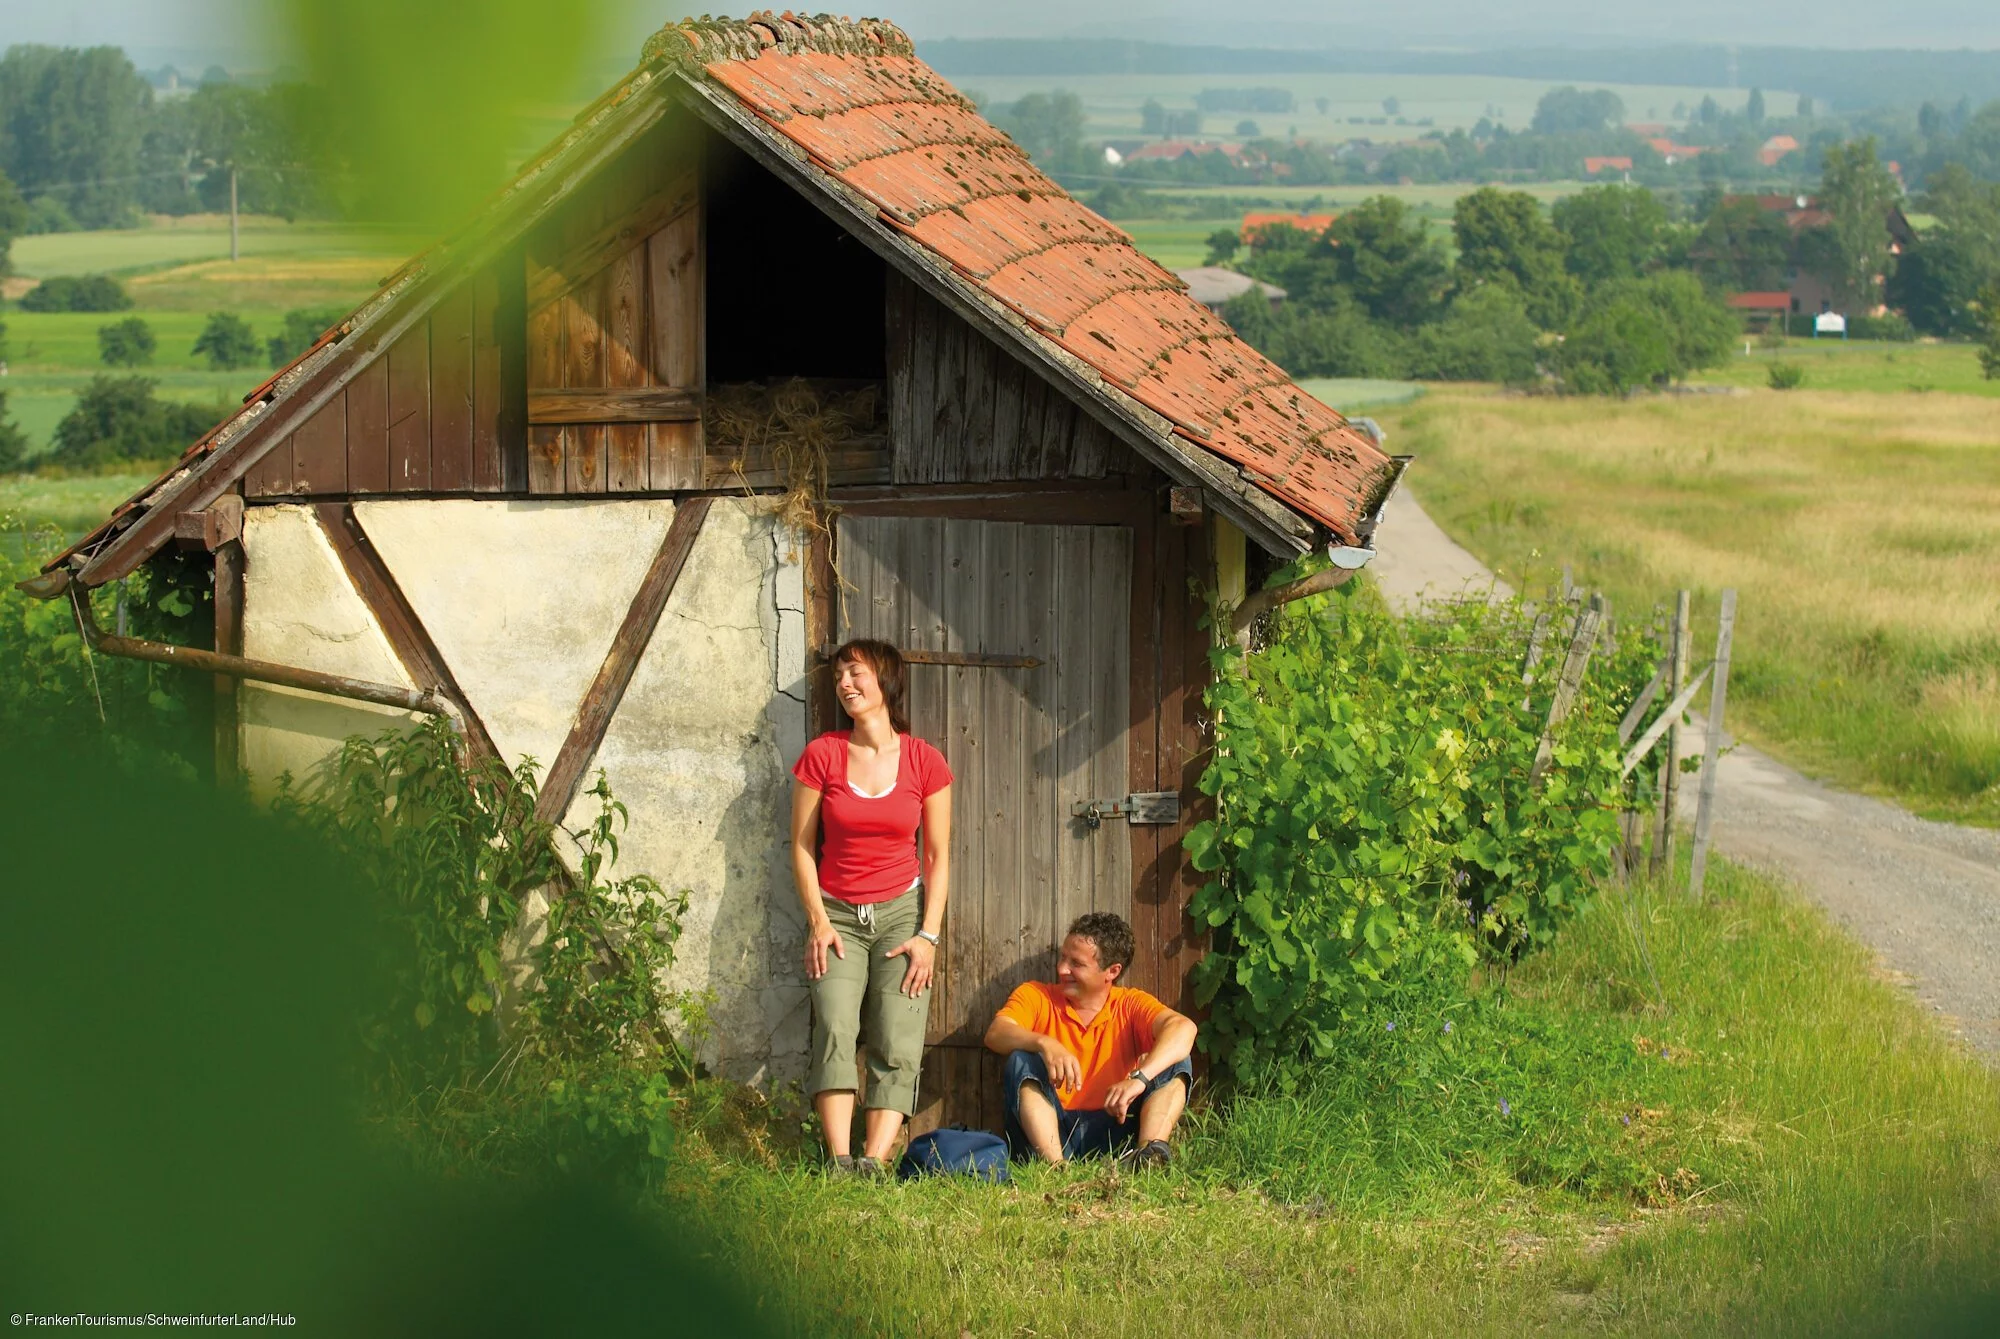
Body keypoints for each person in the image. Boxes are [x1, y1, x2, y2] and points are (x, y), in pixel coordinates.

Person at [789, 639, 953, 1176]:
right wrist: (817, 920)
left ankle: (873, 1161)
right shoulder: (824, 754)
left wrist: (928, 936)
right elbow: (800, 845)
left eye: (855, 673)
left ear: (886, 680)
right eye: (839, 676)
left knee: (898, 1035)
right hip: (836, 915)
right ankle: (838, 1160)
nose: (845, 684)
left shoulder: (926, 761)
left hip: (902, 916)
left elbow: (937, 855)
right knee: (835, 1026)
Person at [983, 912, 1197, 1168]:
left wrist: (1140, 1078)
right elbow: (996, 1033)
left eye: (1076, 963)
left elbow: (1184, 1028)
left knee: (1175, 1060)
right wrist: (1044, 1043)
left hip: (1116, 1125)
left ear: (1112, 971)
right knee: (1021, 1059)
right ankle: (1056, 1169)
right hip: (1051, 1132)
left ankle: (1148, 1158)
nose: (1062, 969)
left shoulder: (1129, 1004)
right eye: (1063, 957)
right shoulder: (1036, 995)